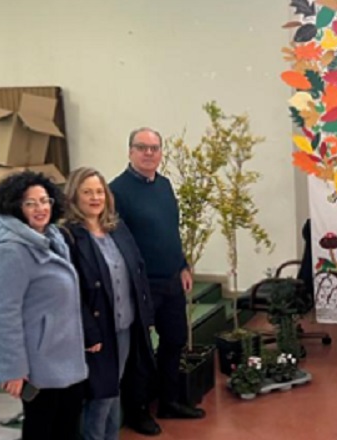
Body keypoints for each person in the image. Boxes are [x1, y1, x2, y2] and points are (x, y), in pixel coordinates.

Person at [110, 127, 205, 435]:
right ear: (130, 152)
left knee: (174, 340)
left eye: (154, 148)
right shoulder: (117, 191)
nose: (149, 153)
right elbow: (118, 242)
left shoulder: (164, 186)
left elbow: (170, 233)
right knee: (140, 352)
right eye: (142, 147)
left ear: (161, 153)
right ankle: (137, 411)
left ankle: (169, 401)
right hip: (141, 285)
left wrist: (183, 266)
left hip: (171, 280)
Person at [0, 171, 88, 440]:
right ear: (15, 206)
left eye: (44, 200)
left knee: (67, 428)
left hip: (66, 356)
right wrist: (13, 369)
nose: (40, 208)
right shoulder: (10, 250)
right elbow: (2, 314)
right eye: (30, 203)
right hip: (39, 364)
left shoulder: (53, 239)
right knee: (42, 430)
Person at [61, 167, 156, 440]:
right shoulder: (69, 236)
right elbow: (71, 291)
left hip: (124, 326)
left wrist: (145, 316)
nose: (95, 197)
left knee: (114, 391)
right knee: (101, 397)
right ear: (74, 197)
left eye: (99, 191)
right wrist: (90, 331)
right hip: (97, 333)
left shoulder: (117, 228)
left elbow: (137, 269)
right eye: (87, 192)